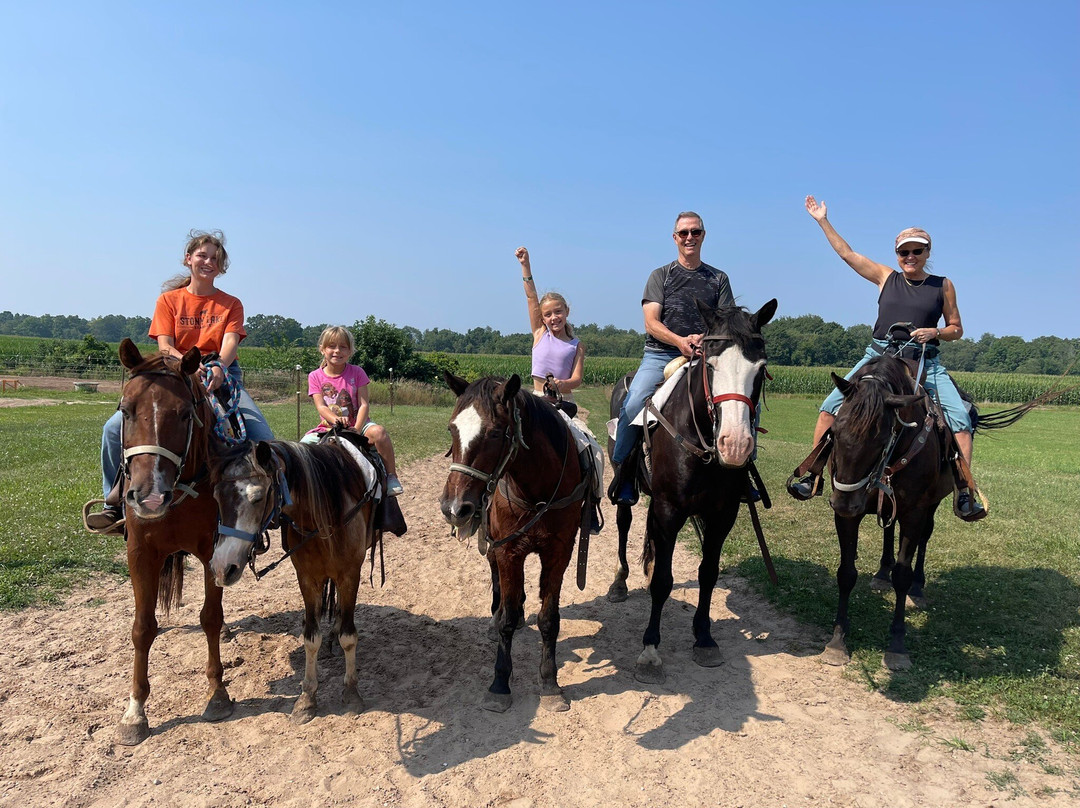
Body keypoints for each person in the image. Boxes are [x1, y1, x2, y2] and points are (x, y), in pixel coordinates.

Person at [787, 195, 985, 521]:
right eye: (904, 251)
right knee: (828, 408)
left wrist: (934, 333)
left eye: (916, 251)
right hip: (879, 354)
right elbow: (847, 254)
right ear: (897, 254)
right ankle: (814, 474)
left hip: (923, 360)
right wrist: (822, 220)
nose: (910, 256)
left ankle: (965, 491)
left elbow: (956, 328)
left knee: (960, 421)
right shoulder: (885, 277)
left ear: (927, 253)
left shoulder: (942, 285)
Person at [86, 230, 275, 533]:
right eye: (202, 255)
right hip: (175, 374)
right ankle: (115, 504)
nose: (208, 261)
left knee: (263, 436)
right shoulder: (169, 301)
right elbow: (164, 346)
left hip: (220, 375)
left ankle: (271, 506)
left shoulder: (230, 304)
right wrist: (189, 366)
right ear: (189, 259)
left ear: (221, 265)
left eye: (215, 258)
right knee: (112, 429)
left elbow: (229, 345)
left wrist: (219, 368)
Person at [609, 211, 735, 505]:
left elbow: (726, 322)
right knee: (634, 402)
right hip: (661, 354)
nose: (689, 237)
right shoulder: (661, 276)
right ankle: (625, 473)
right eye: (684, 233)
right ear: (675, 238)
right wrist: (680, 341)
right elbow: (651, 322)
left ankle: (743, 471)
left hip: (705, 355)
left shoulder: (718, 279)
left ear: (704, 235)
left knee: (741, 399)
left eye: (695, 232)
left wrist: (702, 341)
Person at [301, 325, 403, 496]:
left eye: (343, 347)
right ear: (322, 350)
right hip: (327, 426)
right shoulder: (315, 376)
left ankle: (391, 476)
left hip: (359, 423)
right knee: (302, 446)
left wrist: (356, 428)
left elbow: (363, 404)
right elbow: (321, 406)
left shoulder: (357, 372)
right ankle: (304, 490)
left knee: (379, 433)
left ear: (350, 351)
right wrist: (335, 420)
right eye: (331, 346)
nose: (337, 351)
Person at [514, 246, 586, 415]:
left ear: (566, 311)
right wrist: (526, 265)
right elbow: (531, 297)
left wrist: (562, 385)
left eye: (558, 312)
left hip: (563, 402)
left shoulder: (577, 345)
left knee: (582, 440)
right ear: (543, 318)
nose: (554, 317)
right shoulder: (540, 333)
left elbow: (577, 379)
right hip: (537, 400)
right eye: (548, 314)